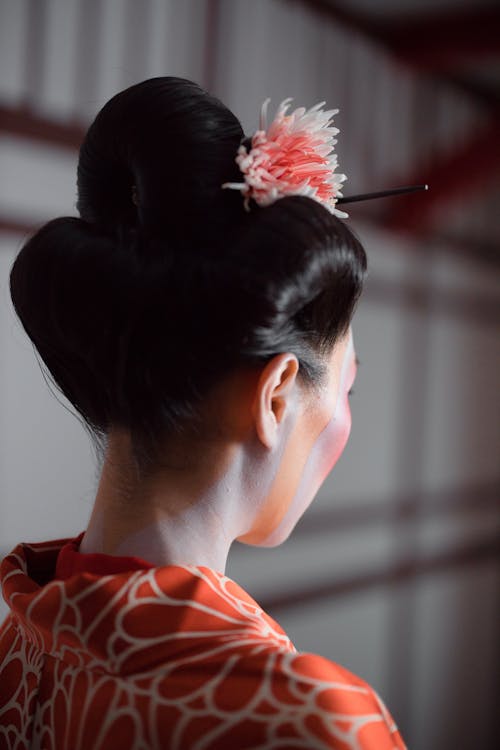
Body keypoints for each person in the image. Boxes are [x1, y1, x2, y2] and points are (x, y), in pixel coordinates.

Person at [0, 77, 407, 749]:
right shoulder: (304, 722)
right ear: (275, 398)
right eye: (346, 388)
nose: (343, 418)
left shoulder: (16, 652)